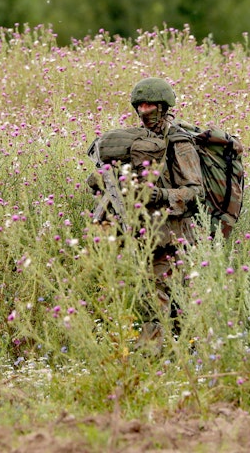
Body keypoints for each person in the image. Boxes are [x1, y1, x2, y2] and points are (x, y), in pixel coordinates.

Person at [88, 77, 205, 338]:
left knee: (163, 299)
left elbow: (195, 192)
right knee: (158, 297)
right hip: (141, 233)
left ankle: (157, 357)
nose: (144, 111)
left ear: (163, 107)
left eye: (150, 104)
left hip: (173, 235)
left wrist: (157, 194)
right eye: (140, 105)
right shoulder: (135, 142)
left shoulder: (179, 143)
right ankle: (177, 354)